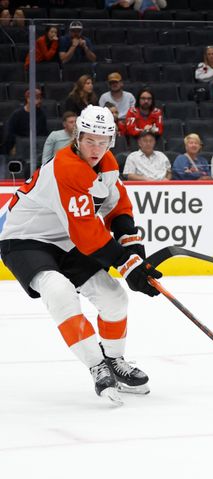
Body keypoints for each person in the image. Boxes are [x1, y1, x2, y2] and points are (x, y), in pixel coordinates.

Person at [0, 105, 161, 405]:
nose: (96, 148)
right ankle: (96, 364)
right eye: (89, 140)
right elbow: (87, 233)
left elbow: (118, 208)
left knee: (115, 297)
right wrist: (128, 266)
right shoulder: (67, 166)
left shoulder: (108, 164)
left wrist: (135, 253)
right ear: (77, 136)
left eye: (103, 141)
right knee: (58, 290)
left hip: (65, 239)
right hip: (24, 239)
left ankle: (113, 359)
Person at [1, 88, 47, 156]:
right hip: (20, 146)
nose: (39, 101)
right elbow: (10, 134)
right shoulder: (17, 115)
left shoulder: (42, 114)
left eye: (40, 98)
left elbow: (43, 133)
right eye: (37, 98)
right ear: (28, 99)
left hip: (36, 146)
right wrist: (13, 147)